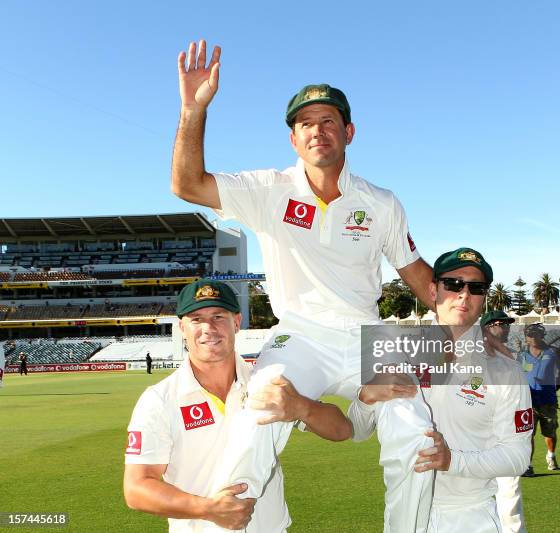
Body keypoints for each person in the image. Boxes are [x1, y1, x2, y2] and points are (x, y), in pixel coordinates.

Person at [170, 39, 434, 532]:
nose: (317, 130)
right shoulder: (267, 189)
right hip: (300, 333)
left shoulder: (381, 203)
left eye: (328, 120)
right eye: (306, 123)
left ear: (349, 132)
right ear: (294, 139)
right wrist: (193, 109)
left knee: (417, 434)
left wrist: (468, 331)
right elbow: (187, 185)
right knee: (260, 412)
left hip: (366, 335)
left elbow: (420, 278)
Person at [123, 279, 351, 532]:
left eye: (218, 316)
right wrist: (208, 509)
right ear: (182, 328)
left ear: (237, 322)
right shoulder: (160, 399)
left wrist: (302, 408)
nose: (208, 328)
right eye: (196, 319)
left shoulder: (267, 380)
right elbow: (136, 488)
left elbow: (342, 430)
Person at [350, 248, 533, 533]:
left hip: (469, 517)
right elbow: (357, 429)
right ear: (433, 291)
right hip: (402, 513)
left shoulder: (505, 371)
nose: (464, 294)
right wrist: (366, 397)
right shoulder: (396, 353)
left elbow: (518, 457)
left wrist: (452, 460)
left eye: (476, 288)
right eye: (454, 284)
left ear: (484, 298)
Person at [481, 310, 526, 533]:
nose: (506, 328)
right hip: (477, 435)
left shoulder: (512, 357)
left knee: (510, 495)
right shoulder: (472, 355)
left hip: (506, 436)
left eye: (508, 324)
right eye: (501, 324)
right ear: (487, 327)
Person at [520, 323, 560, 475]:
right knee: (528, 434)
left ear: (541, 336)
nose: (533, 337)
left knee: (549, 433)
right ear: (526, 338)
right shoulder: (521, 355)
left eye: (536, 334)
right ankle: (528, 465)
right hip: (527, 401)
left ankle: (551, 455)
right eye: (530, 335)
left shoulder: (552, 353)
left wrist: (553, 389)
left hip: (547, 401)